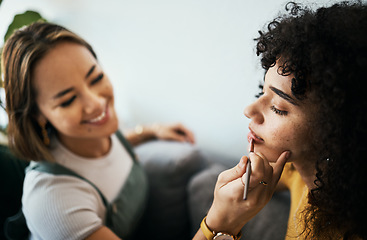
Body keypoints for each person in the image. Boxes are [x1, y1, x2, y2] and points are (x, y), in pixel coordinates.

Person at [2, 22, 196, 239]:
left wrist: (150, 131)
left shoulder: (94, 133)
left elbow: (110, 151)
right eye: (68, 100)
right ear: (37, 114)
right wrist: (216, 224)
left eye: (96, 78)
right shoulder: (53, 199)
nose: (95, 103)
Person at [191, 1, 367, 240]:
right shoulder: (297, 170)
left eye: (278, 108)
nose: (249, 110)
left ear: (334, 132)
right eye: (261, 93)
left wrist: (220, 222)